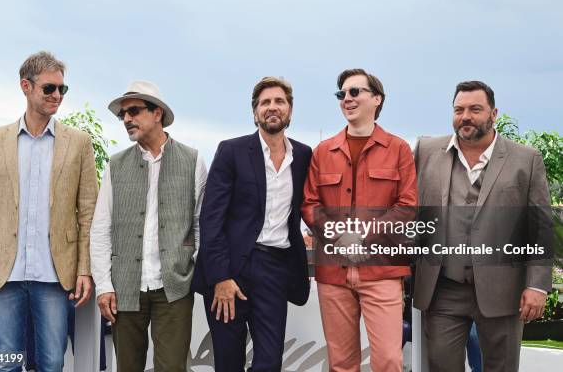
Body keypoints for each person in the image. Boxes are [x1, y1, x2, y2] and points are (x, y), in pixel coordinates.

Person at [0, 51, 98, 372]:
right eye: (50, 88)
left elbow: (88, 213)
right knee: (7, 361)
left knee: (51, 363)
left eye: (63, 89)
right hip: (4, 273)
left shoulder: (79, 143)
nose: (57, 96)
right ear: (26, 86)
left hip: (54, 275)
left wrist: (84, 269)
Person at [413, 80, 552, 371]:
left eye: (475, 109)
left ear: (493, 113)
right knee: (441, 366)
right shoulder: (426, 151)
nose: (465, 116)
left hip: (505, 291)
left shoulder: (525, 159)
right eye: (459, 109)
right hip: (443, 289)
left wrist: (537, 285)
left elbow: (540, 227)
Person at [192, 76, 312, 371]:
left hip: (275, 269)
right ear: (255, 112)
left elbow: (312, 207)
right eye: (265, 102)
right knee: (229, 362)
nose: (272, 107)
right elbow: (211, 218)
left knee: (269, 363)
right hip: (230, 269)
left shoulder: (304, 155)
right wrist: (220, 277)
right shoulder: (231, 151)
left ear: (290, 110)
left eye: (279, 101)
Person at [302, 68, 417, 371]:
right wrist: (342, 235)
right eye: (342, 94)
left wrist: (363, 237)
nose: (347, 99)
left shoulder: (399, 149)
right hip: (334, 274)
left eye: (355, 92)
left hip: (382, 271)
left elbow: (407, 207)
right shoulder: (323, 152)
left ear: (377, 99)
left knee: (389, 360)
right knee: (341, 363)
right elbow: (310, 205)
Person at [90, 80, 207, 372]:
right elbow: (101, 229)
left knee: (172, 368)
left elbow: (201, 223)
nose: (127, 118)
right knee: (127, 367)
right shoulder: (115, 165)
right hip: (125, 288)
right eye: (123, 114)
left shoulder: (192, 160)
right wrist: (104, 286)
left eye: (134, 111)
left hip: (174, 287)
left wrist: (189, 266)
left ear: (158, 114)